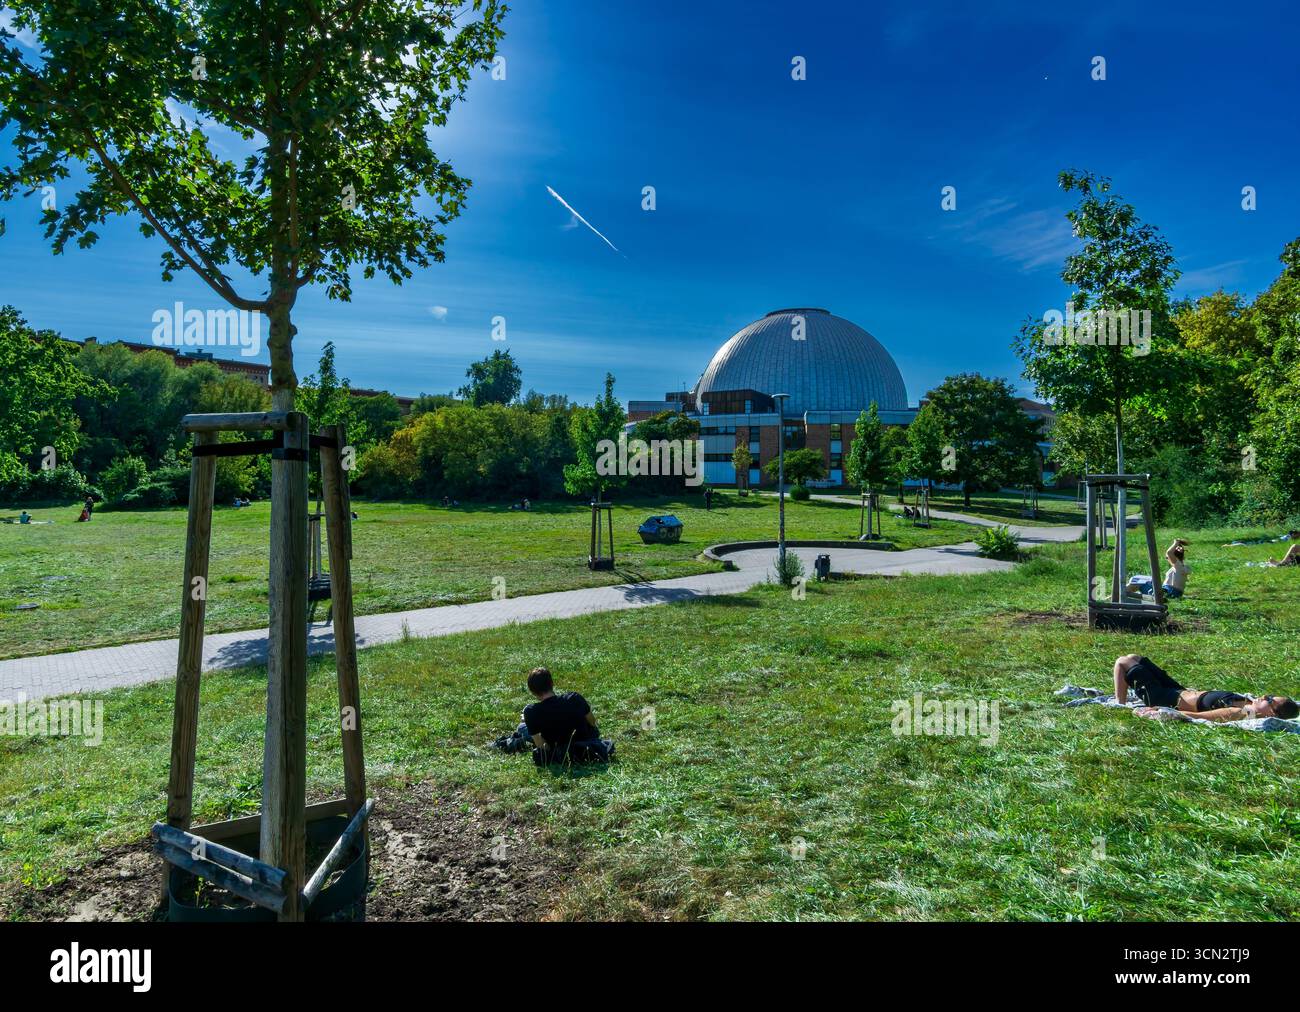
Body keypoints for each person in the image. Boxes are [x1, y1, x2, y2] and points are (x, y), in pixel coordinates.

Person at [1112, 654, 1298, 722]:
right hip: (1177, 690)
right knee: (1134, 657)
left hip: (1164, 697)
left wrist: (1165, 711)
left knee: (1122, 662)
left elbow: (1201, 717)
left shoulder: (1242, 712)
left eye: (1270, 700)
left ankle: (1119, 704)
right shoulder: (1249, 704)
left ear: (1272, 714)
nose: (1265, 696)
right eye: (1271, 695)